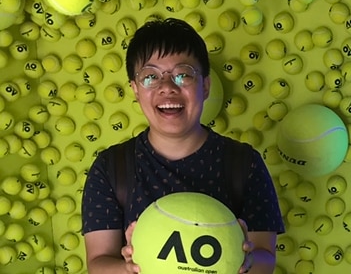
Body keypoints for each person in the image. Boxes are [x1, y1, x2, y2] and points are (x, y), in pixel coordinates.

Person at [81, 17, 285, 274]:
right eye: (150, 77)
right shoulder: (110, 168)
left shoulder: (244, 163)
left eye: (183, 74)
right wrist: (130, 269)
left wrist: (247, 260)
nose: (166, 87)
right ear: (135, 90)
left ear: (206, 86)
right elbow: (98, 263)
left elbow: (266, 258)